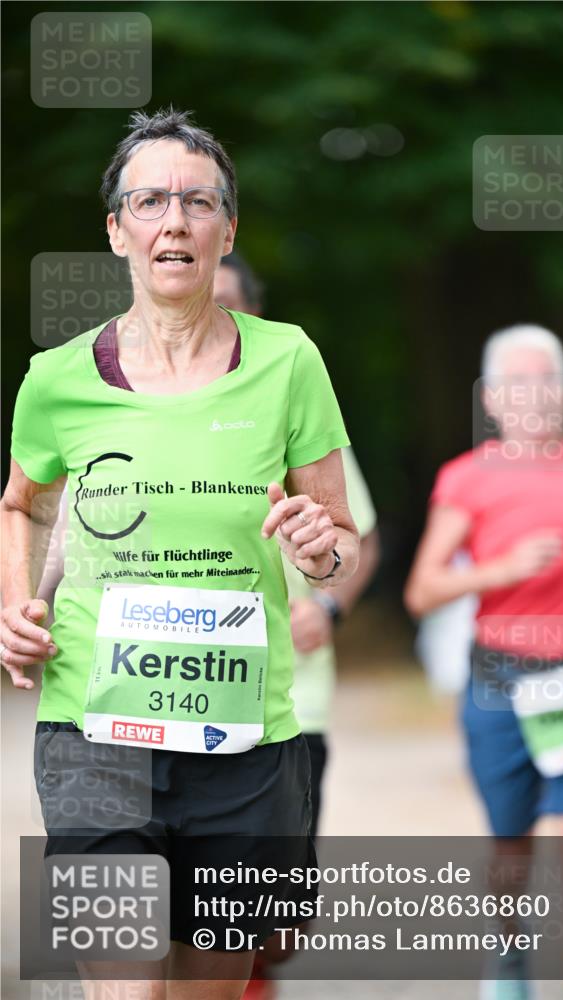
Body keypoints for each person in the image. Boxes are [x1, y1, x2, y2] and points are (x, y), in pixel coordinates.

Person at [1, 107, 359, 1000]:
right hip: (93, 731)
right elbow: (24, 505)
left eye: (197, 202)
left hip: (242, 739)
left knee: (210, 987)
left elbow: (335, 538)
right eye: (149, 201)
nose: (174, 221)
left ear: (225, 229)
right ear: (117, 228)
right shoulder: (55, 380)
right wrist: (16, 604)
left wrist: (319, 551)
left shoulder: (289, 362)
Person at [404, 324, 563, 1000]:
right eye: (518, 383)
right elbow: (421, 589)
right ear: (491, 399)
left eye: (547, 380)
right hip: (500, 685)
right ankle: (509, 951)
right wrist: (501, 568)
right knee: (511, 854)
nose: (536, 395)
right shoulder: (467, 479)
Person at [214, 253, 379, 1000]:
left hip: (290, 703)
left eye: (227, 309)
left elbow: (359, 536)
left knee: (274, 921)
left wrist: (331, 601)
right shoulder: (133, 416)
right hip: (176, 698)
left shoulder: (299, 413)